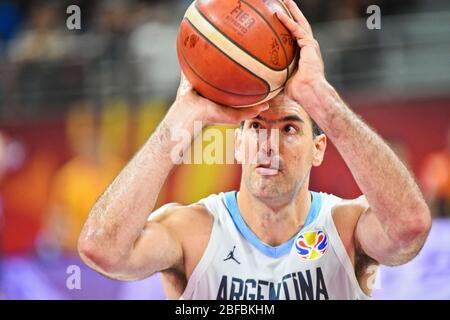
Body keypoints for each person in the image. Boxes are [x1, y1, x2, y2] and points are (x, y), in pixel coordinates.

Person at [78, 0, 431, 300]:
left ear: (318, 148)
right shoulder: (192, 230)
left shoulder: (346, 227)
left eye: (290, 129)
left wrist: (321, 99)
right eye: (257, 127)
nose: (269, 145)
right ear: (237, 145)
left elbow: (409, 229)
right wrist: (180, 118)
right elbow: (103, 250)